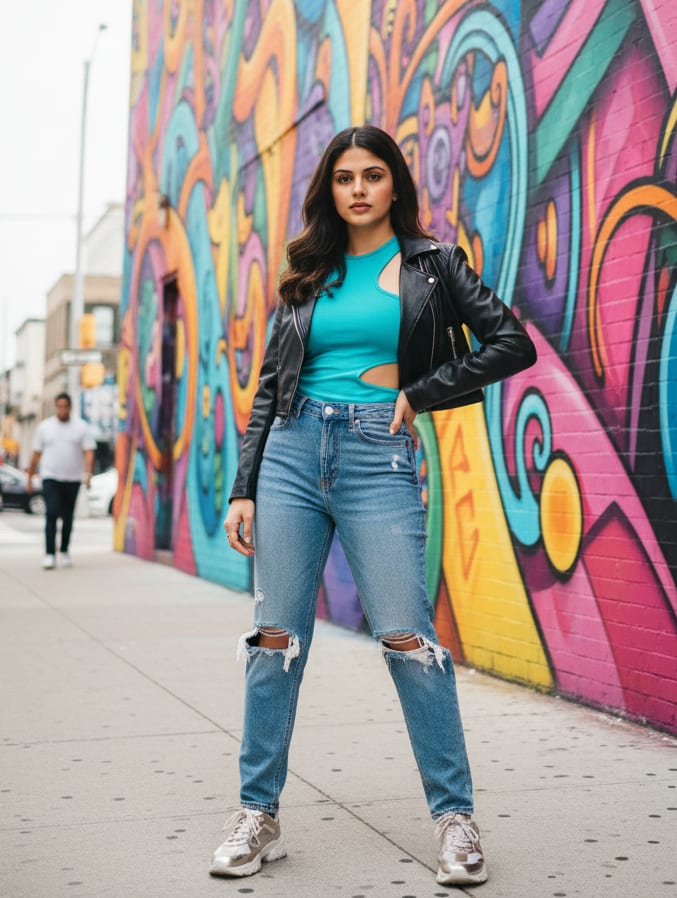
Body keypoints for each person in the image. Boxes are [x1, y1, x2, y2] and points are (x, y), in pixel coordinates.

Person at [211, 125, 537, 886]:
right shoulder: (306, 274)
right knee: (272, 642)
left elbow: (509, 343)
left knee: (408, 642)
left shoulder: (431, 262)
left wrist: (418, 395)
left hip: (375, 454)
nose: (357, 188)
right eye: (343, 176)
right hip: (291, 454)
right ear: (329, 188)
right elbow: (267, 389)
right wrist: (242, 487)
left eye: (373, 174)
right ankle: (258, 812)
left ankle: (454, 820)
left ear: (395, 184)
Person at [27, 392, 95, 569]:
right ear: (55, 407)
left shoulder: (81, 427)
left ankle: (64, 551)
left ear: (70, 408)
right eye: (59, 406)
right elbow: (36, 454)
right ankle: (50, 554)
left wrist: (88, 475)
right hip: (50, 477)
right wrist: (30, 476)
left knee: (67, 517)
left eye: (65, 406)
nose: (62, 410)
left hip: (72, 478)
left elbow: (89, 453)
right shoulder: (45, 427)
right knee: (51, 513)